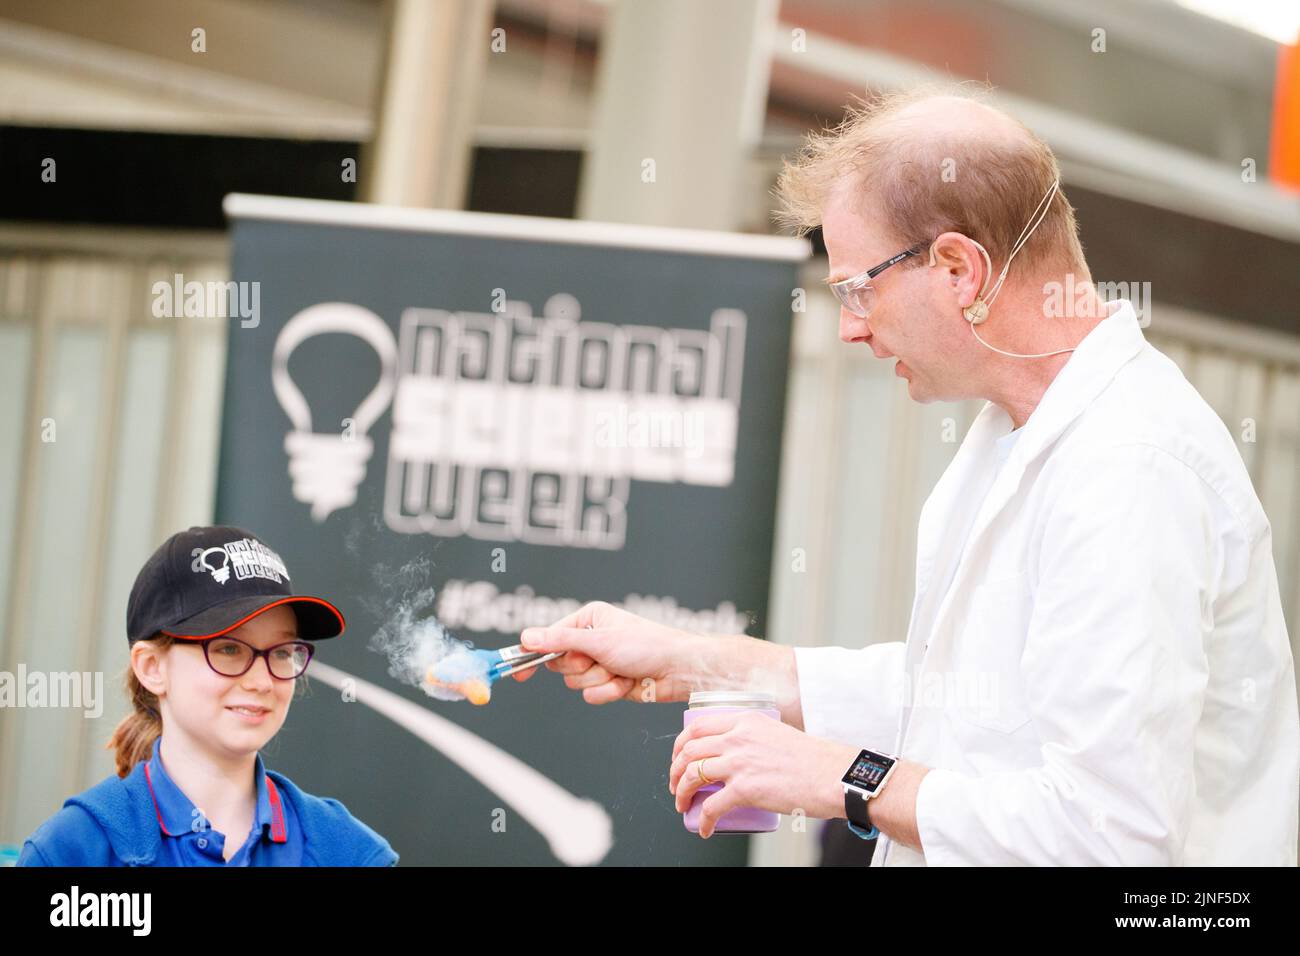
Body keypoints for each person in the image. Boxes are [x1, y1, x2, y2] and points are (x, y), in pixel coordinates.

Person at [515, 85, 1300, 866]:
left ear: (959, 268)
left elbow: (1109, 837)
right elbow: (958, 704)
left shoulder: (1130, 468)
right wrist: (696, 660)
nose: (852, 327)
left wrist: (842, 778)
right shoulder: (1020, 429)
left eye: (859, 288)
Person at [18, 525, 398, 866]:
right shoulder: (74, 851)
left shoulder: (347, 851)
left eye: (281, 653)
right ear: (152, 667)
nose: (262, 681)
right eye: (229, 649)